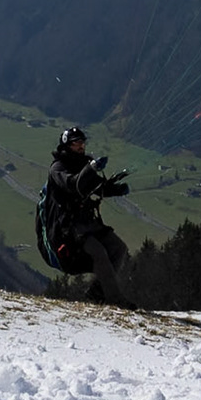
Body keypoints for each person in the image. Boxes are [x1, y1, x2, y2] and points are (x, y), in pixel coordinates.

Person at [48, 126, 133, 306]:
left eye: (82, 142)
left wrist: (117, 190)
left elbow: (96, 187)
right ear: (67, 145)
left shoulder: (83, 163)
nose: (81, 146)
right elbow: (74, 185)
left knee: (119, 248)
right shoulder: (58, 168)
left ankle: (97, 292)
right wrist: (91, 168)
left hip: (88, 222)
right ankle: (115, 300)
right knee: (99, 253)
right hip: (70, 229)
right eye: (77, 143)